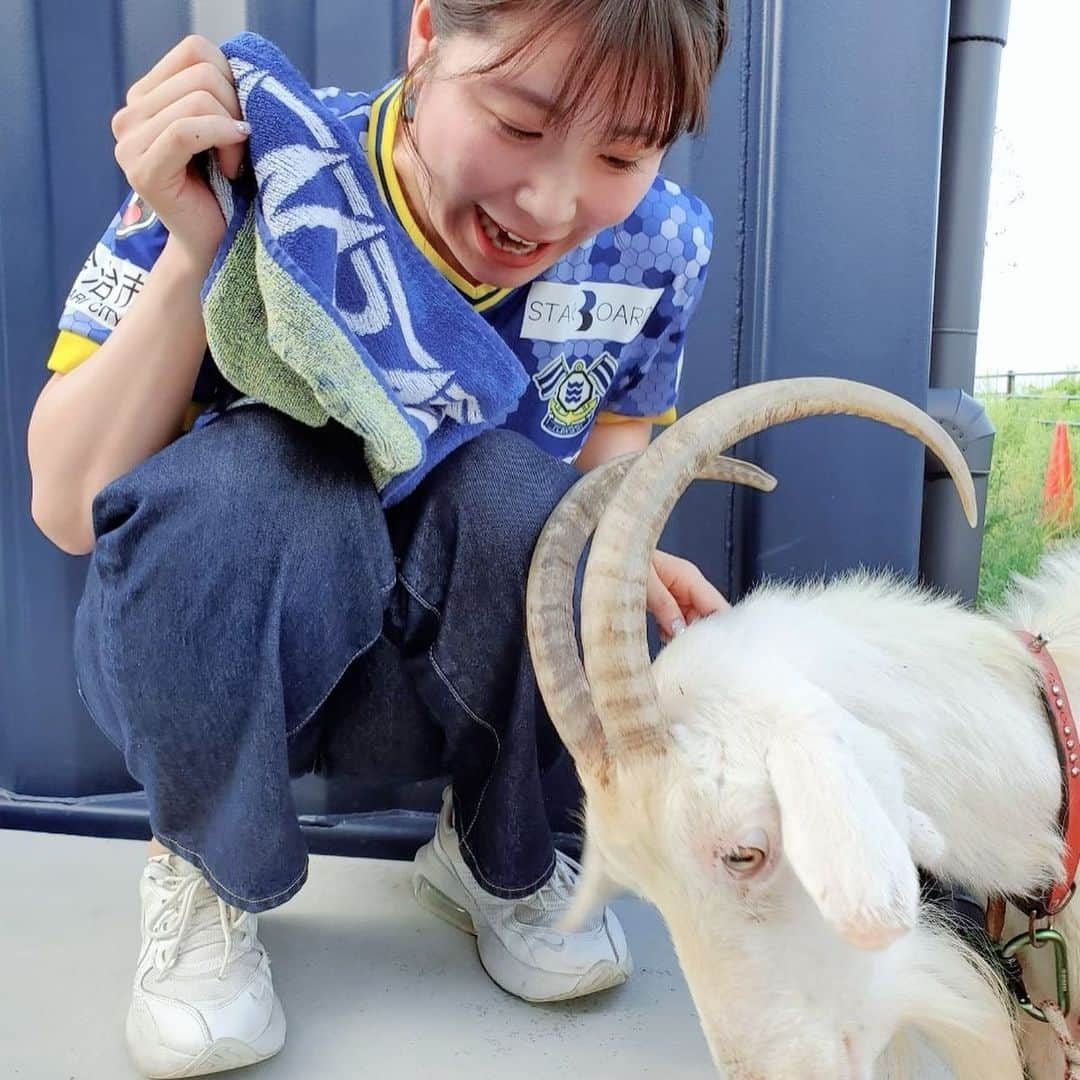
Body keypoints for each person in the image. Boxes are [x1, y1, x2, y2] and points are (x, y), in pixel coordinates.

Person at [26, 1, 729, 1075]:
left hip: (456, 687)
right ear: (428, 33)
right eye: (522, 122)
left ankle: (497, 856)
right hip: (221, 668)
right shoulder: (257, 161)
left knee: (533, 499)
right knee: (263, 470)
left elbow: (602, 477)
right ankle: (207, 865)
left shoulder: (655, 244)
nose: (550, 200)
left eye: (623, 152)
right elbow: (70, 506)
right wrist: (195, 246)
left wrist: (621, 550)